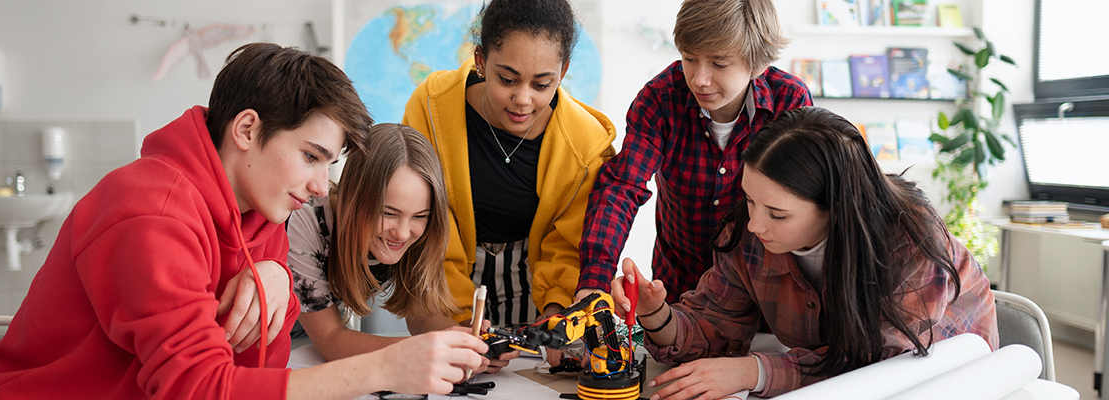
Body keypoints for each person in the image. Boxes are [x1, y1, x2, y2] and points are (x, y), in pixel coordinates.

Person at [0, 43, 486, 399]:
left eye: (329, 164)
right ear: (247, 130)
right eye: (311, 156)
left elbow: (256, 363)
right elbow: (197, 389)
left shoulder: (262, 204)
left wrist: (277, 276)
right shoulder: (152, 212)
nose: (322, 186)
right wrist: (385, 370)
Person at [611, 107, 999, 399]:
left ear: (837, 208)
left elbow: (877, 368)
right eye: (749, 200)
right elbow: (715, 327)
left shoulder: (911, 240)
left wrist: (752, 372)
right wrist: (656, 314)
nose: (754, 225)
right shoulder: (749, 235)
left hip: (945, 383)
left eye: (778, 214)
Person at [577, 0, 813, 304]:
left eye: (719, 63)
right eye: (689, 58)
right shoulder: (660, 99)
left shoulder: (789, 101)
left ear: (757, 64)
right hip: (680, 290)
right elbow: (623, 187)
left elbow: (807, 205)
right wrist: (595, 279)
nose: (699, 79)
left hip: (767, 294)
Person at [402, 0, 616, 328]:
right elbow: (427, 222)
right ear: (480, 61)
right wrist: (456, 320)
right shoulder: (432, 108)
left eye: (542, 84)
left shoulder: (585, 145)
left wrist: (556, 310)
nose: (523, 99)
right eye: (507, 79)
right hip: (441, 278)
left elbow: (568, 244)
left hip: (536, 286)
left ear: (564, 71)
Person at [288, 123, 517, 373]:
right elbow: (331, 339)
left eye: (419, 216)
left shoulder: (423, 234)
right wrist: (425, 350)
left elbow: (422, 315)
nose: (402, 233)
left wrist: (463, 342)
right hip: (273, 339)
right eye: (388, 213)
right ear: (353, 197)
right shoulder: (305, 220)